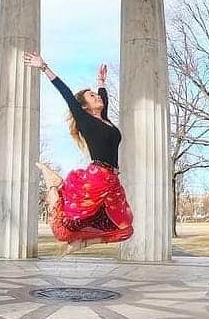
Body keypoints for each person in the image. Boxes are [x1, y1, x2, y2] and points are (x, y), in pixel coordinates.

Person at [23, 51, 133, 257]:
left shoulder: (105, 120)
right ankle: (56, 185)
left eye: (97, 94)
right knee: (69, 220)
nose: (98, 96)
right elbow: (65, 92)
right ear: (84, 107)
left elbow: (105, 100)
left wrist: (101, 82)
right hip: (97, 177)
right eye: (92, 96)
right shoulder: (85, 120)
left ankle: (82, 243)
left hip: (112, 181)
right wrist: (43, 67)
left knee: (125, 228)